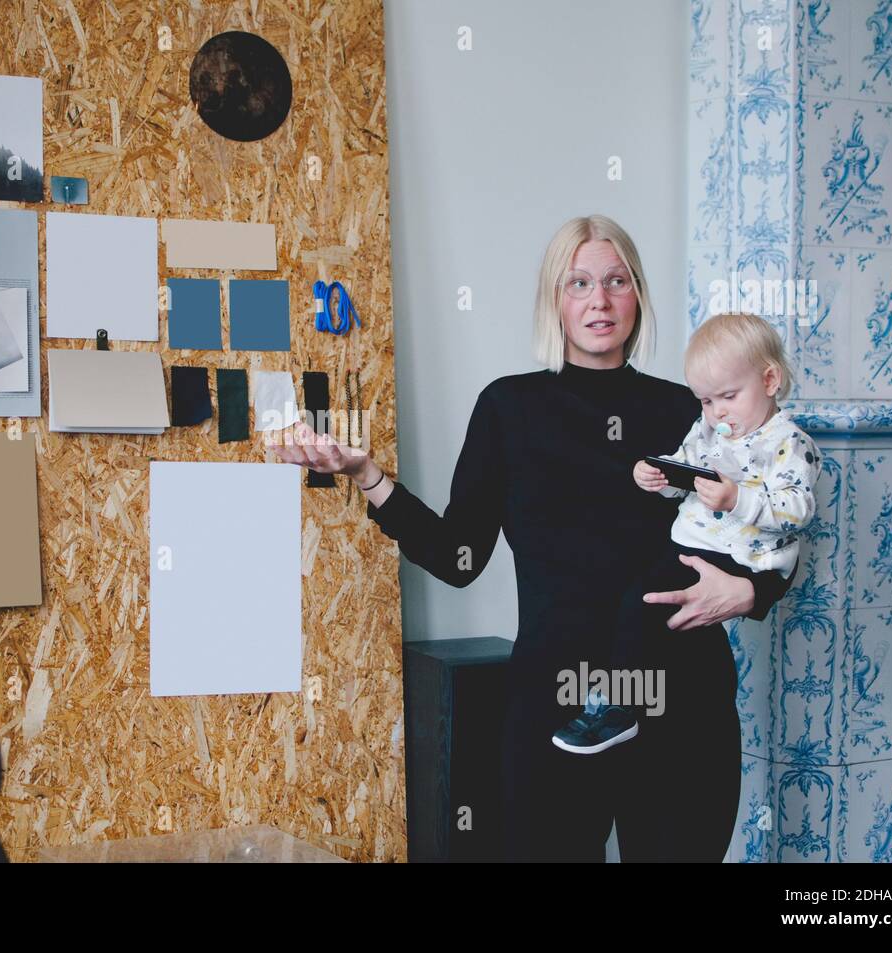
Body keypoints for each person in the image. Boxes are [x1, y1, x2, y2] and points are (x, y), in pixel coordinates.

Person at [272, 214, 798, 861]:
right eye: (578, 282)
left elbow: (778, 511)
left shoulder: (691, 409)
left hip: (679, 702)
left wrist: (749, 592)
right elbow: (457, 557)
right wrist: (369, 475)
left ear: (638, 294)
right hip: (559, 701)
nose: (599, 300)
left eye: (616, 280)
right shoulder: (509, 410)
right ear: (555, 298)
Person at [550, 311, 821, 755]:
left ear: (770, 380)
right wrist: (658, 475)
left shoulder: (789, 444)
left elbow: (797, 510)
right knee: (641, 611)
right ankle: (621, 706)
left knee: (644, 608)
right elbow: (686, 466)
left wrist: (737, 499)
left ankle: (619, 707)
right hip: (693, 545)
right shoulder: (711, 429)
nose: (717, 413)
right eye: (706, 401)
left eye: (728, 397)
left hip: (740, 558)